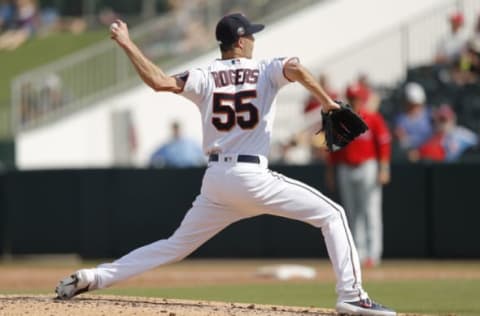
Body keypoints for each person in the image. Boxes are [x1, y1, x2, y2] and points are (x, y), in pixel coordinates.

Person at [55, 13, 396, 315]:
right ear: (242, 40)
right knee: (332, 214)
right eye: (252, 35)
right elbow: (296, 67)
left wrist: (127, 43)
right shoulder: (266, 69)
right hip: (251, 175)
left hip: (217, 180)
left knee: (174, 245)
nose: (254, 40)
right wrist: (327, 103)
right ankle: (352, 295)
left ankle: (94, 277)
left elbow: (159, 81)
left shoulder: (204, 75)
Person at [326, 83, 391, 269]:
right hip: (345, 167)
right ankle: (358, 254)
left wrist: (384, 168)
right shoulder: (341, 119)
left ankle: (374, 254)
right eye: (351, 98)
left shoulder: (373, 118)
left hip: (368, 166)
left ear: (362, 99)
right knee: (352, 213)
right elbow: (333, 148)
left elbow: (384, 143)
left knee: (371, 211)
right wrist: (330, 172)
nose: (354, 101)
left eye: (357, 98)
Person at [408, 104, 478, 162]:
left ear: (452, 120)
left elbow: (476, 143)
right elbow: (416, 152)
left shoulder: (461, 134)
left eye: (444, 119)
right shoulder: (429, 137)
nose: (441, 123)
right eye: (439, 120)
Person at [394, 82, 433, 151]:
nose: (415, 108)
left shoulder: (430, 114)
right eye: (412, 105)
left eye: (417, 105)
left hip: (428, 150)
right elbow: (402, 140)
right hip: (410, 153)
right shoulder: (401, 119)